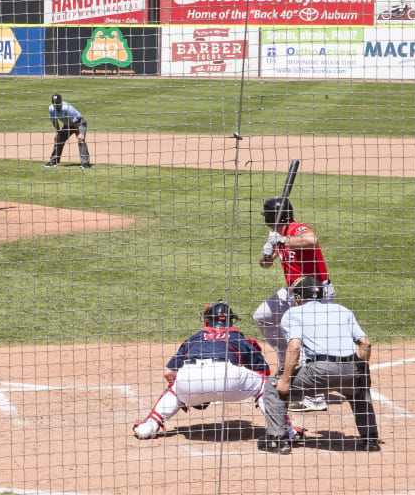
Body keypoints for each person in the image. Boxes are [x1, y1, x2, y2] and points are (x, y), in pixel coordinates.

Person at [257, 276, 380, 454]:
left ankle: (279, 440)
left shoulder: (292, 314)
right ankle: (370, 440)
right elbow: (365, 344)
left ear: (298, 297)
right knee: (360, 389)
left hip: (320, 371)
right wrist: (361, 370)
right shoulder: (342, 310)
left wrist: (285, 380)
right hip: (351, 367)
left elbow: (295, 347)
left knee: (272, 387)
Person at [132, 301, 271, 439]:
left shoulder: (194, 338)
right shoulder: (238, 338)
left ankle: (149, 426)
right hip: (229, 381)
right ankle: (283, 429)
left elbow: (168, 373)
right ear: (231, 321)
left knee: (175, 387)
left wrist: (192, 395)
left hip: (191, 381)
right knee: (265, 385)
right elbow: (263, 370)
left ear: (207, 321)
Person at [253, 195, 335, 412]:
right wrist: (267, 253)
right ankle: (286, 360)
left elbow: (312, 240)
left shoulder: (296, 229)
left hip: (315, 292)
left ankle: (316, 398)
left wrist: (281, 241)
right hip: (293, 292)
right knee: (263, 316)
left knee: (308, 340)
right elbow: (265, 265)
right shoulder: (276, 235)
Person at [45, 93, 91, 168]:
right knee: (59, 139)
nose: (56, 105)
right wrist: (58, 132)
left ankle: (85, 163)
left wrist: (79, 133)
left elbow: (75, 122)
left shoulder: (66, 108)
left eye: (58, 103)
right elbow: (55, 122)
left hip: (79, 123)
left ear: (61, 101)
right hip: (67, 125)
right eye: (54, 103)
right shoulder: (51, 109)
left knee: (81, 140)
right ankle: (53, 161)